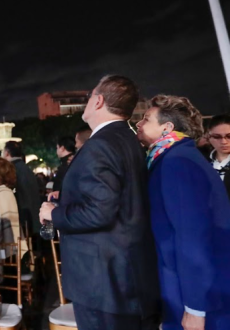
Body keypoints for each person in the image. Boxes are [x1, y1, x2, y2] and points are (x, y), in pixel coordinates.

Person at [39, 75, 159, 330]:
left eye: (89, 95)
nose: (87, 101)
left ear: (99, 100)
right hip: (125, 276)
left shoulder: (100, 145)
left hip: (105, 282)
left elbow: (99, 212)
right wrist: (69, 197)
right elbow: (120, 195)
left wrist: (55, 213)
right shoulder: (127, 139)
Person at [136, 95, 230, 330]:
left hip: (194, 294)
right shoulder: (174, 157)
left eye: (146, 119)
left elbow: (193, 238)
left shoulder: (178, 162)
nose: (138, 123)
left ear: (167, 127)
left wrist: (195, 308)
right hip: (186, 287)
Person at [2, 141, 40, 237]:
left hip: (21, 217)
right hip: (32, 217)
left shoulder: (11, 169)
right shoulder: (26, 168)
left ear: (6, 153)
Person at [206, 114, 230, 199]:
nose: (224, 141)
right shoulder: (201, 161)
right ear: (208, 137)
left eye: (229, 136)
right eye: (217, 137)